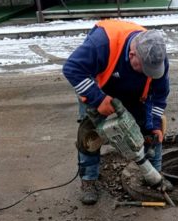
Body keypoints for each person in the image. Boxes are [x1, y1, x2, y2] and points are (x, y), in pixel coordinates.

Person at [63, 19, 171, 205]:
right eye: (144, 69)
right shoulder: (102, 43)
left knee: (152, 132)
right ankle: (89, 180)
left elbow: (160, 95)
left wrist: (152, 124)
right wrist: (98, 99)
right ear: (132, 54)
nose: (149, 73)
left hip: (134, 92)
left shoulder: (156, 56)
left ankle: (155, 175)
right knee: (89, 135)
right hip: (98, 88)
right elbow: (72, 69)